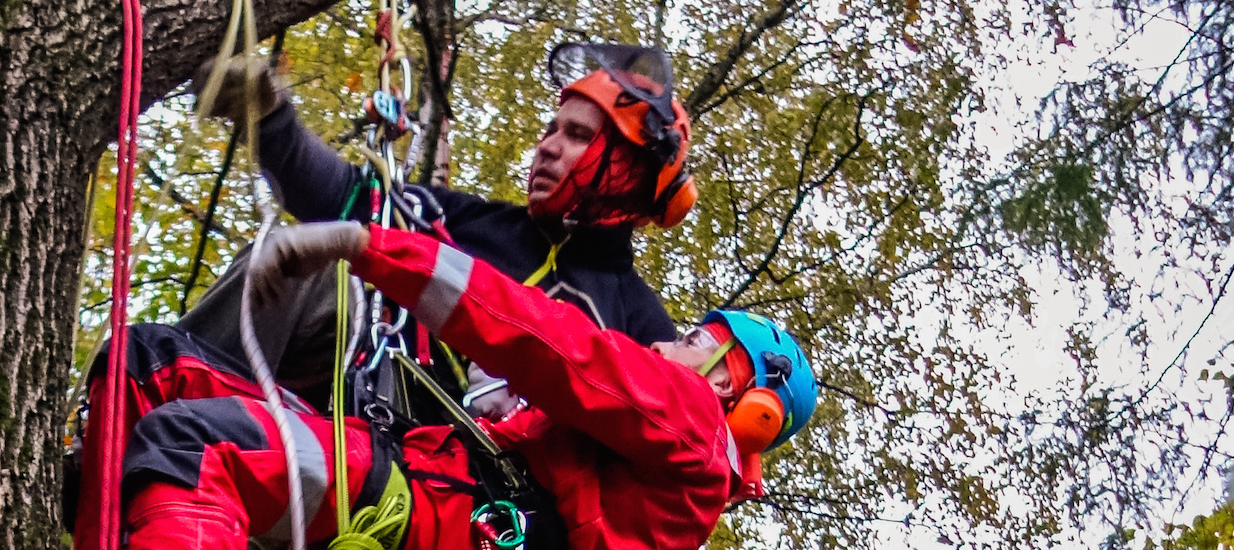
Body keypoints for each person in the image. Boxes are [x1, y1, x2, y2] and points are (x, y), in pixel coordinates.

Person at [96, 221, 819, 550]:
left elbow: (558, 347)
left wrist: (375, 250)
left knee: (196, 446)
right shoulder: (631, 458)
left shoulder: (692, 425)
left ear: (736, 391)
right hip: (417, 482)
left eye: (694, 341)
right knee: (151, 363)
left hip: (429, 512)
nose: (666, 341)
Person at [184, 43, 700, 415]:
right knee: (316, 263)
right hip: (348, 423)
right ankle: (164, 402)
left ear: (628, 170)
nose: (545, 147)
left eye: (577, 135)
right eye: (550, 130)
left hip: (470, 505)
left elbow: (655, 448)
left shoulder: (641, 326)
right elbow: (345, 198)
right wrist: (271, 120)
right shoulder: (473, 224)